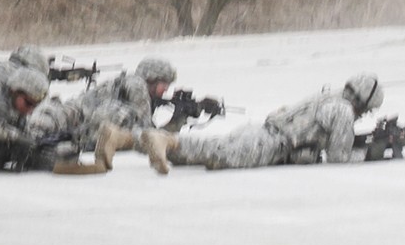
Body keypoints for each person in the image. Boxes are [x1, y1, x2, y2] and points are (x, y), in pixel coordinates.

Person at [140, 74, 384, 173]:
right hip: (269, 144)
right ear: (363, 100)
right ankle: (164, 141)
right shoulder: (343, 111)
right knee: (216, 153)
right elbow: (338, 157)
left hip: (260, 131)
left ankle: (157, 145)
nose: (364, 115)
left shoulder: (331, 95)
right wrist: (368, 154)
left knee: (208, 152)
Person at [28, 56, 178, 172]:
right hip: (77, 120)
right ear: (152, 78)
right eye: (164, 84)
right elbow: (148, 134)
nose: (165, 90)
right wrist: (177, 121)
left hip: (70, 115)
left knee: (37, 137)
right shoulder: (138, 86)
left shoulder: (124, 81)